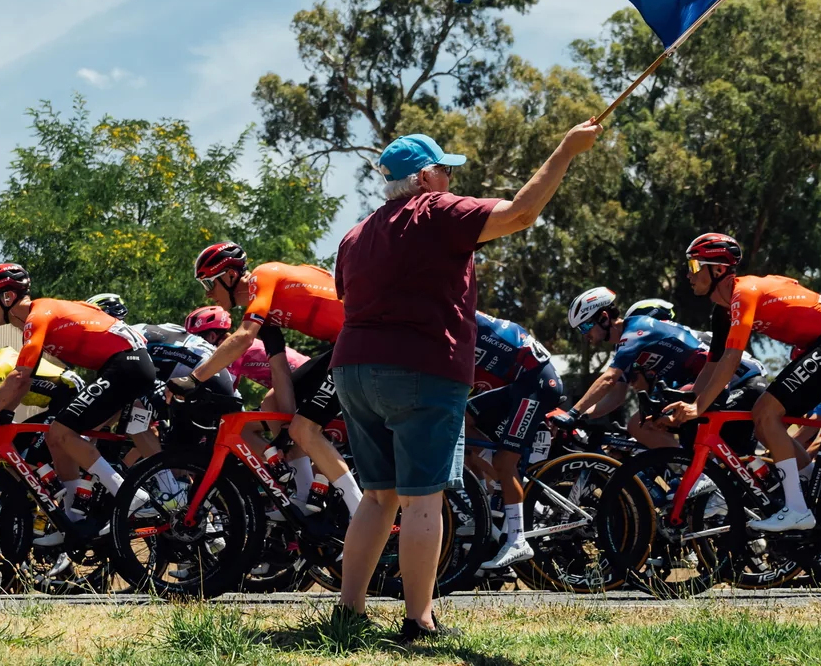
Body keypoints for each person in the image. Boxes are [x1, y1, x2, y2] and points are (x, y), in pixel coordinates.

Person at [331, 121, 600, 642]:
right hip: (420, 370)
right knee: (423, 497)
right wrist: (566, 150)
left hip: (353, 369)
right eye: (446, 170)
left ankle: (349, 613)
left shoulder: (355, 234)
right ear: (426, 176)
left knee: (377, 494)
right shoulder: (435, 211)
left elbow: (348, 297)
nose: (451, 179)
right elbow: (521, 213)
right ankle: (418, 620)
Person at [659, 233, 821, 532]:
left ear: (717, 270)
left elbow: (732, 359)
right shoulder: (722, 311)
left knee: (765, 413)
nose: (688, 275)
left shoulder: (742, 293)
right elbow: (714, 364)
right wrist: (692, 403)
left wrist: (699, 407)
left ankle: (796, 509)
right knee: (767, 422)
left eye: (694, 266)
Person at [0, 263, 156, 542]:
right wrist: (2, 415)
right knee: (57, 437)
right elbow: (26, 380)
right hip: (122, 366)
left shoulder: (37, 317)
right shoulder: (38, 318)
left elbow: (19, 377)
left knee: (61, 431)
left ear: (7, 298)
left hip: (126, 364)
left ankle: (129, 493)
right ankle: (73, 516)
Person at [183, 243, 360, 516]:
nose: (208, 293)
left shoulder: (263, 276)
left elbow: (243, 337)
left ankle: (358, 509)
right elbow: (280, 372)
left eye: (210, 283)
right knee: (272, 401)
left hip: (360, 338)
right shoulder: (262, 312)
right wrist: (287, 431)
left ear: (230, 276)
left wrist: (193, 379)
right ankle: (303, 496)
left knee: (305, 429)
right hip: (345, 343)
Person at [559, 288, 767, 452]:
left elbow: (608, 380)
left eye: (585, 327)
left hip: (739, 379)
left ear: (604, 318)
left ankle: (693, 473)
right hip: (709, 385)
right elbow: (616, 397)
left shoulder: (637, 330)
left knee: (666, 421)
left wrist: (573, 411)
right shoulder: (624, 346)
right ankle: (685, 471)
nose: (584, 335)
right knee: (641, 424)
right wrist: (581, 417)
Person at [465, 310, 563, 570]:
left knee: (505, 461)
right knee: (463, 419)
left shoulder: (460, 321)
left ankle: (518, 540)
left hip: (537, 385)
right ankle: (492, 487)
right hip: (520, 385)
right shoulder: (456, 319)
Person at [0, 325, 86, 419]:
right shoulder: (3, 355)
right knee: (22, 443)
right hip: (66, 393)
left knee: (46, 444)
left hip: (68, 392)